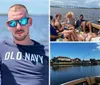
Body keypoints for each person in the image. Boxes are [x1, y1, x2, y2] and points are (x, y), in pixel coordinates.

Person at [0, 4, 48, 85]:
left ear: (30, 22)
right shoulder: (2, 48)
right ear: (8, 26)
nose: (18, 27)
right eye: (12, 23)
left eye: (22, 21)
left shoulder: (46, 50)